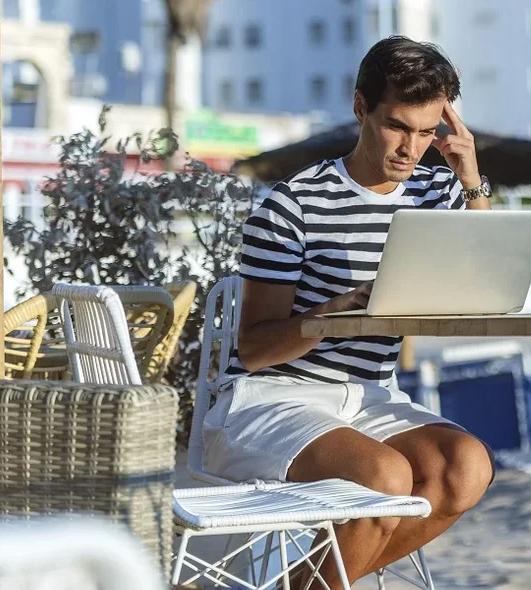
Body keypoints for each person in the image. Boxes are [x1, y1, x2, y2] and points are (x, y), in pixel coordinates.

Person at [202, 36, 495, 588]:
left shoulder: (436, 194)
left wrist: (470, 175)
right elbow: (255, 350)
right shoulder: (294, 204)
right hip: (269, 399)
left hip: (370, 397)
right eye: (398, 126)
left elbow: (488, 282)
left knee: (466, 467)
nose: (412, 148)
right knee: (384, 479)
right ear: (360, 106)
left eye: (428, 131)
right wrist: (332, 312)